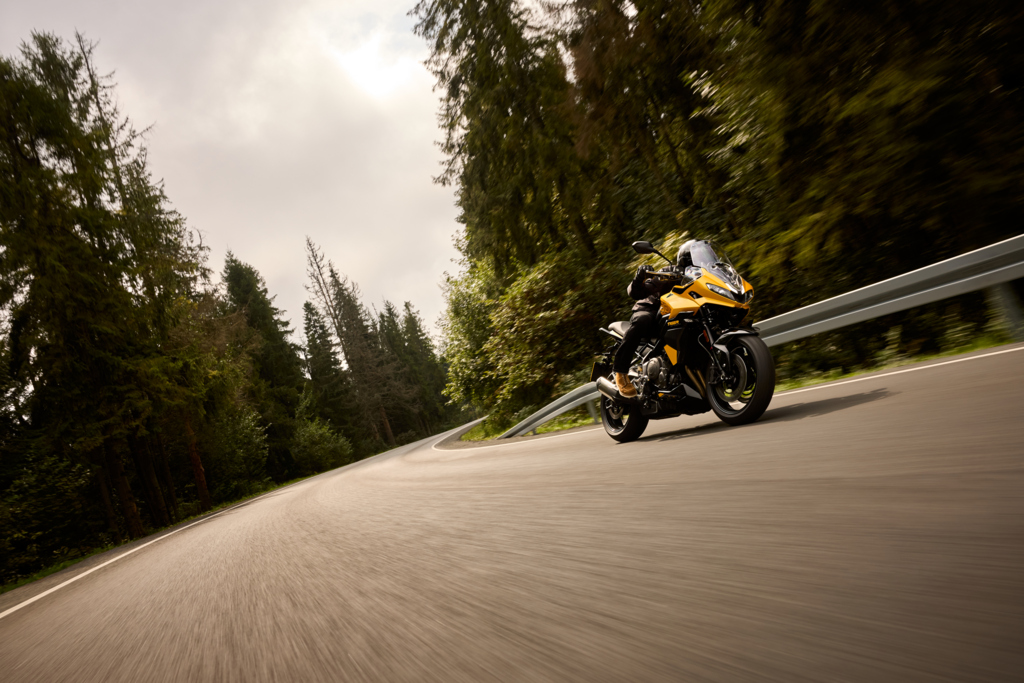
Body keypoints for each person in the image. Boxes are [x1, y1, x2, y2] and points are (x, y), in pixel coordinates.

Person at [613, 264, 662, 398]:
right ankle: (620, 371)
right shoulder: (669, 273)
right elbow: (634, 292)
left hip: (678, 313)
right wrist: (640, 277)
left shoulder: (702, 276)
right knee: (642, 320)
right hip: (650, 311)